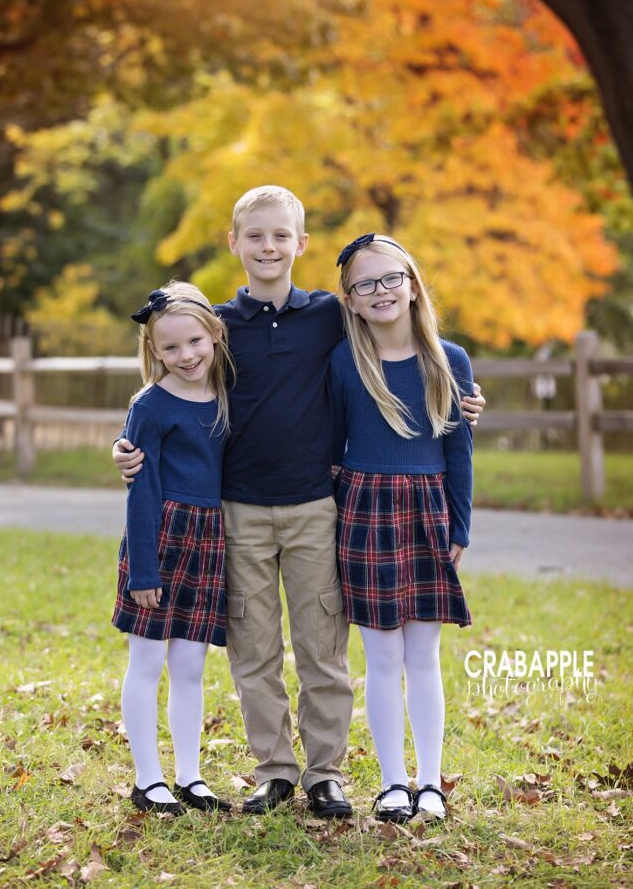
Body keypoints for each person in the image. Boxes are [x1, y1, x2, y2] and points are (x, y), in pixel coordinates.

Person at [113, 187, 485, 818]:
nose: (268, 247)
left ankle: (325, 773)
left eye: (280, 236)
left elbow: (400, 347)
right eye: (255, 236)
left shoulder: (330, 317)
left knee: (323, 645)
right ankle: (274, 771)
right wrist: (127, 448)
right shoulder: (217, 328)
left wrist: (466, 402)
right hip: (238, 508)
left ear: (300, 244)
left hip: (319, 505)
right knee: (254, 648)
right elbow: (171, 376)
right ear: (234, 243)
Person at [331, 233, 474, 823]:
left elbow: (459, 450)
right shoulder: (344, 362)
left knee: (423, 655)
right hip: (364, 510)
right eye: (366, 284)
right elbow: (329, 444)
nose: (381, 291)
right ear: (353, 301)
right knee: (381, 657)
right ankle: (392, 782)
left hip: (427, 509)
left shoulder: (450, 359)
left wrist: (459, 527)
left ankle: (429, 783)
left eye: (392, 278)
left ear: (413, 285)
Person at [111, 281, 235, 815]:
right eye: (170, 348)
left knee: (190, 665)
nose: (186, 356)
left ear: (214, 335)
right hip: (160, 536)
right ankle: (148, 780)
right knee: (147, 661)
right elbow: (141, 489)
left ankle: (189, 775)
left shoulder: (227, 392)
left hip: (208, 538)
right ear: (154, 352)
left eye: (194, 342)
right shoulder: (151, 404)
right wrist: (143, 570)